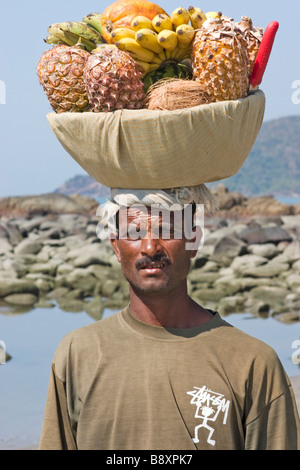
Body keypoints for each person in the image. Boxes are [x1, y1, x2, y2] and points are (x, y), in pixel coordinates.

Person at [39, 186, 300, 450]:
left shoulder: (253, 362)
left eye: (167, 231)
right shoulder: (77, 353)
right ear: (116, 247)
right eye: (134, 233)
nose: (150, 247)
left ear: (193, 242)